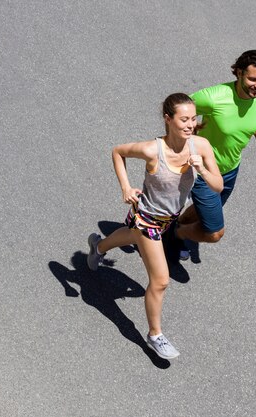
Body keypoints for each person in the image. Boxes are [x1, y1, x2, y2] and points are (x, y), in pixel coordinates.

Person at [87, 93, 223, 359]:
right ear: (168, 119)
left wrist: (203, 171)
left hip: (167, 219)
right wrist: (126, 187)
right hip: (148, 217)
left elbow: (217, 186)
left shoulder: (201, 147)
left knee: (130, 237)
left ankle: (98, 245)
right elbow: (118, 152)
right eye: (184, 119)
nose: (190, 124)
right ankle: (155, 336)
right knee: (159, 281)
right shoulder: (152, 150)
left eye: (193, 119)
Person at [174, 50, 256, 259]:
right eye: (252, 78)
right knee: (214, 233)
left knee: (200, 211)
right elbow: (176, 110)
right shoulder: (214, 97)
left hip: (230, 169)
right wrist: (181, 142)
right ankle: (174, 234)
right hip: (202, 170)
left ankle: (176, 228)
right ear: (239, 73)